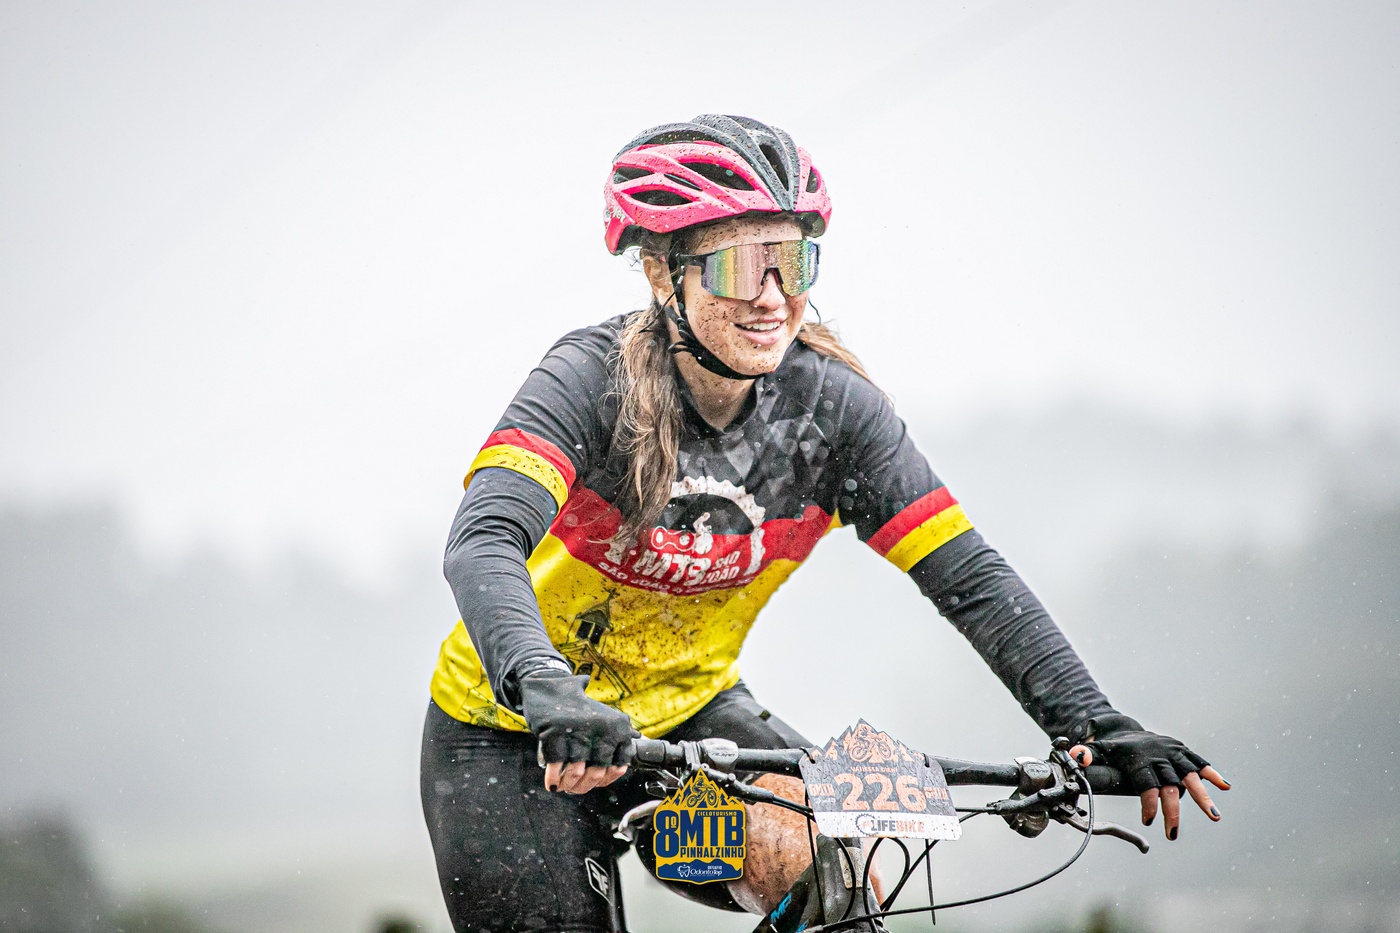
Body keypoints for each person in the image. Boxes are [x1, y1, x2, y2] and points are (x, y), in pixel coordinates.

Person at [419, 114, 1229, 933]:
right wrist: (544, 682)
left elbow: (970, 577)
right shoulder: (589, 381)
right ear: (664, 274)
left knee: (829, 863)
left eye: (793, 260)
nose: (773, 297)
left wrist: (1093, 722)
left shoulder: (830, 413)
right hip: (513, 733)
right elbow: (483, 541)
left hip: (688, 728)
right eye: (742, 264)